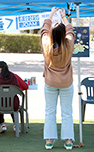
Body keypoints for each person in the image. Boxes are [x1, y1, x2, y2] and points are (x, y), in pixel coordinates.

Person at [41, 7, 75, 150]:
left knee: (50, 111)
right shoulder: (69, 45)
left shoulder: (46, 45)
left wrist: (52, 14)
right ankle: (68, 141)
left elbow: (44, 30)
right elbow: (70, 31)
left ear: (51, 35)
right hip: (66, 83)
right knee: (67, 112)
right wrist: (63, 16)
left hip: (50, 83)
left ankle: (49, 141)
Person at [0, 61, 28, 133]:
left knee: (0, 102)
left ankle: (2, 124)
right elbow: (25, 86)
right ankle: (15, 125)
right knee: (11, 101)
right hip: (14, 104)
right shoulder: (15, 77)